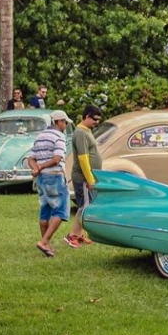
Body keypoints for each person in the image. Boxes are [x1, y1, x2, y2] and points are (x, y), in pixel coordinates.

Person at [28, 110, 72, 257]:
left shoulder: (40, 136)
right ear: (58, 122)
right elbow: (57, 158)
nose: (65, 125)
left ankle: (46, 244)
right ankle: (44, 241)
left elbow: (31, 158)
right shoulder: (59, 136)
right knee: (60, 210)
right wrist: (41, 167)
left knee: (45, 210)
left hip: (41, 179)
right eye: (64, 122)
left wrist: (36, 168)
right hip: (55, 176)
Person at [64, 105, 103, 249]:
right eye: (95, 119)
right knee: (84, 207)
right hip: (83, 178)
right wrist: (90, 180)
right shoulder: (80, 132)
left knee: (85, 206)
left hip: (88, 177)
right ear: (86, 116)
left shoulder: (86, 131)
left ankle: (79, 235)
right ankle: (72, 236)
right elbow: (83, 158)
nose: (97, 122)